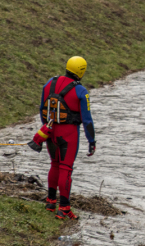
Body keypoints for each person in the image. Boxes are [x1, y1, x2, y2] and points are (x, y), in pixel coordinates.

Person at [28, 56, 96, 220]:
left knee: (54, 164)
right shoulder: (81, 91)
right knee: (66, 168)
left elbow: (42, 108)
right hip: (68, 134)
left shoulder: (50, 83)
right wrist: (92, 141)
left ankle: (51, 201)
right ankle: (64, 208)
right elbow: (87, 121)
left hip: (50, 131)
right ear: (82, 71)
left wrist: (46, 128)